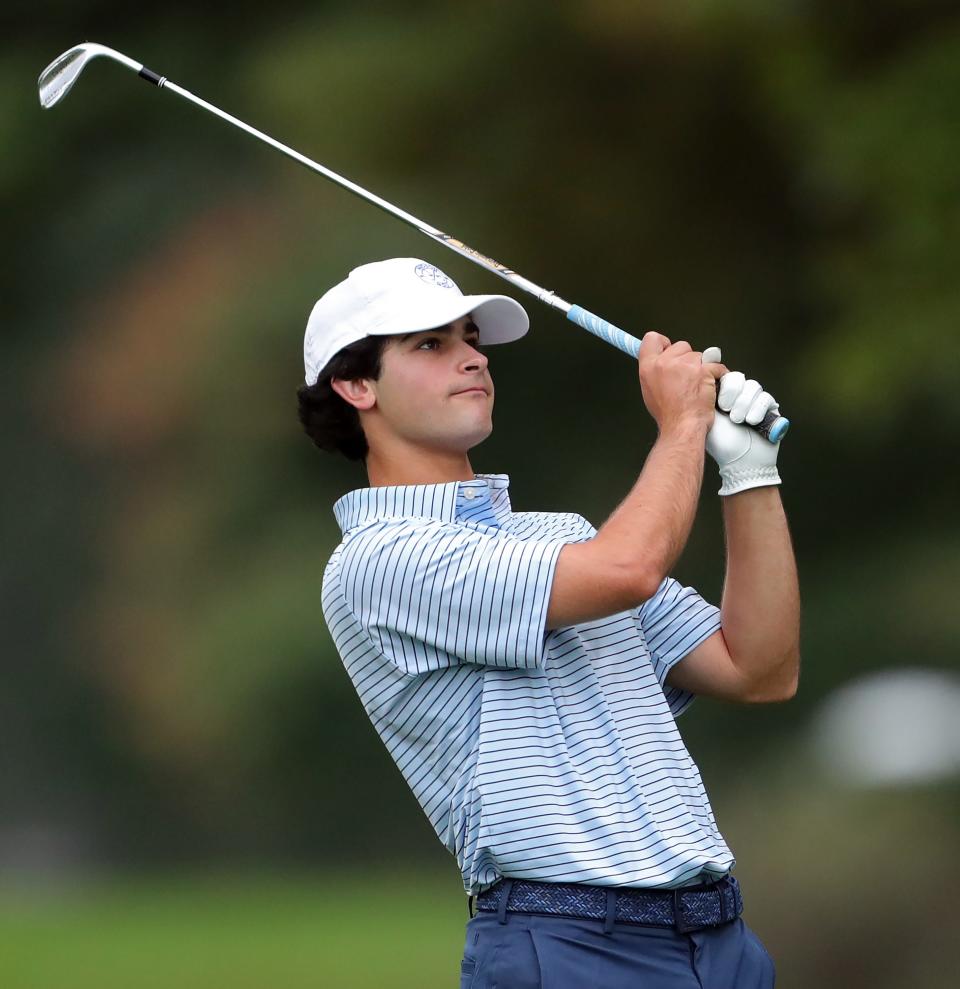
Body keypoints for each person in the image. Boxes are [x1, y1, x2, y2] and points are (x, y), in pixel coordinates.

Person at [297, 257, 799, 988]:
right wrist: (684, 424)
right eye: (430, 344)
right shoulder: (377, 563)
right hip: (568, 946)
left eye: (471, 337)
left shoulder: (560, 534)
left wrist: (750, 474)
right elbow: (628, 570)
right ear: (356, 385)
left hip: (720, 941)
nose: (472, 356)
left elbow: (758, 666)